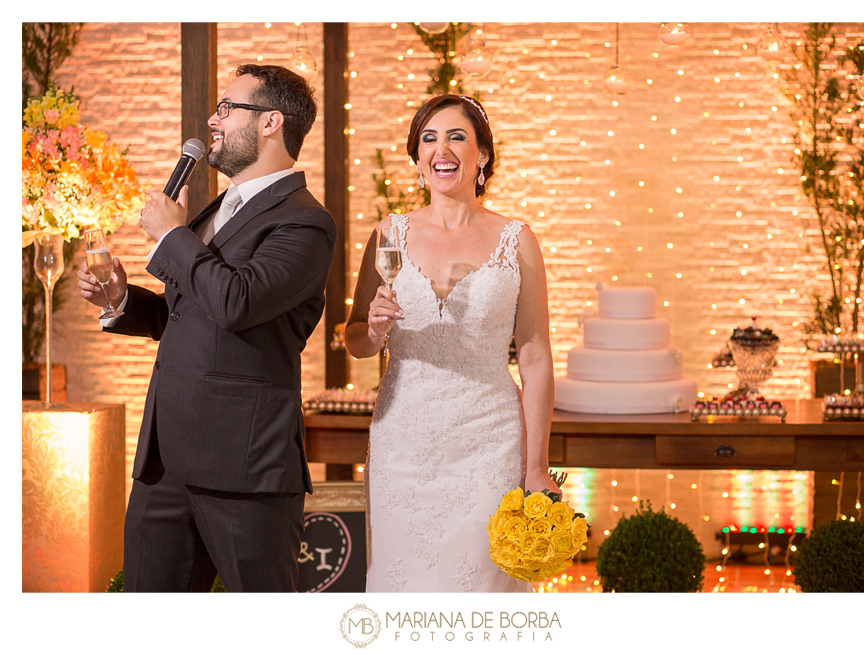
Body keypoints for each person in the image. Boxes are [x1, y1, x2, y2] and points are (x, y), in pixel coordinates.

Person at [76, 64, 336, 592]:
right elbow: (192, 313)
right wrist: (122, 301)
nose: (212, 121)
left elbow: (238, 302)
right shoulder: (220, 208)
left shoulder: (306, 221)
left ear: (270, 123)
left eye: (226, 107)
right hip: (165, 463)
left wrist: (173, 234)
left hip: (243, 470)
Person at [345, 94, 557, 592]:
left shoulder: (517, 240)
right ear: (418, 157)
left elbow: (536, 355)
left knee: (482, 587)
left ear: (482, 154)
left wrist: (537, 466)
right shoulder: (389, 235)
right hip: (404, 440)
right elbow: (355, 337)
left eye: (457, 136)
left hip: (490, 440)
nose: (443, 149)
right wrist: (374, 331)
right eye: (429, 138)